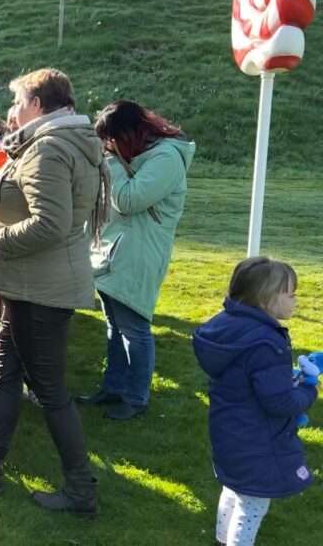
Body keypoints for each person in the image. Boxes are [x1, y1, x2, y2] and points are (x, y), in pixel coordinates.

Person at [0, 68, 106, 517]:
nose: (13, 112)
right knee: (5, 376)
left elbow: (51, 223)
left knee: (50, 390)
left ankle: (81, 491)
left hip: (42, 289)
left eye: (19, 102)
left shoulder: (50, 148)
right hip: (27, 286)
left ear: (38, 105)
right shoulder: (55, 142)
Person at [76, 100, 196, 420]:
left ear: (129, 132)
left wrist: (111, 161)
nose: (108, 146)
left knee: (134, 329)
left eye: (111, 139)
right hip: (116, 250)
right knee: (115, 326)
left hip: (138, 253)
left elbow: (128, 200)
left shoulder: (167, 157)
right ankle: (114, 388)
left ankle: (137, 397)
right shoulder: (144, 154)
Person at [193, 257, 317, 546]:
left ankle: (221, 541)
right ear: (266, 299)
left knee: (234, 490)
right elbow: (279, 402)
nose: (295, 301)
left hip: (229, 434)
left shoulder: (228, 327)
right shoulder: (266, 343)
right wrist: (309, 392)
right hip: (257, 441)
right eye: (290, 294)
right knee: (253, 505)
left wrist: (288, 378)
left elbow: (251, 380)